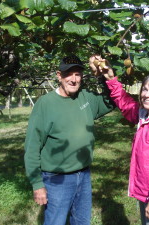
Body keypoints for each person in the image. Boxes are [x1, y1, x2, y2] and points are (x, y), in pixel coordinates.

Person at [24, 55, 114, 225]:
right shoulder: (45, 104)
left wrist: (104, 75)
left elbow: (111, 101)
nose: (73, 79)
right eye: (69, 74)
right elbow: (32, 147)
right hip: (57, 179)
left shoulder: (85, 97)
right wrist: (37, 183)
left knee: (82, 221)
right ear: (59, 75)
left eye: (78, 74)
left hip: (83, 174)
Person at [96, 59, 149, 225]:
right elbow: (125, 103)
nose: (146, 95)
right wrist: (110, 79)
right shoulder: (146, 115)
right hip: (147, 191)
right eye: (144, 89)